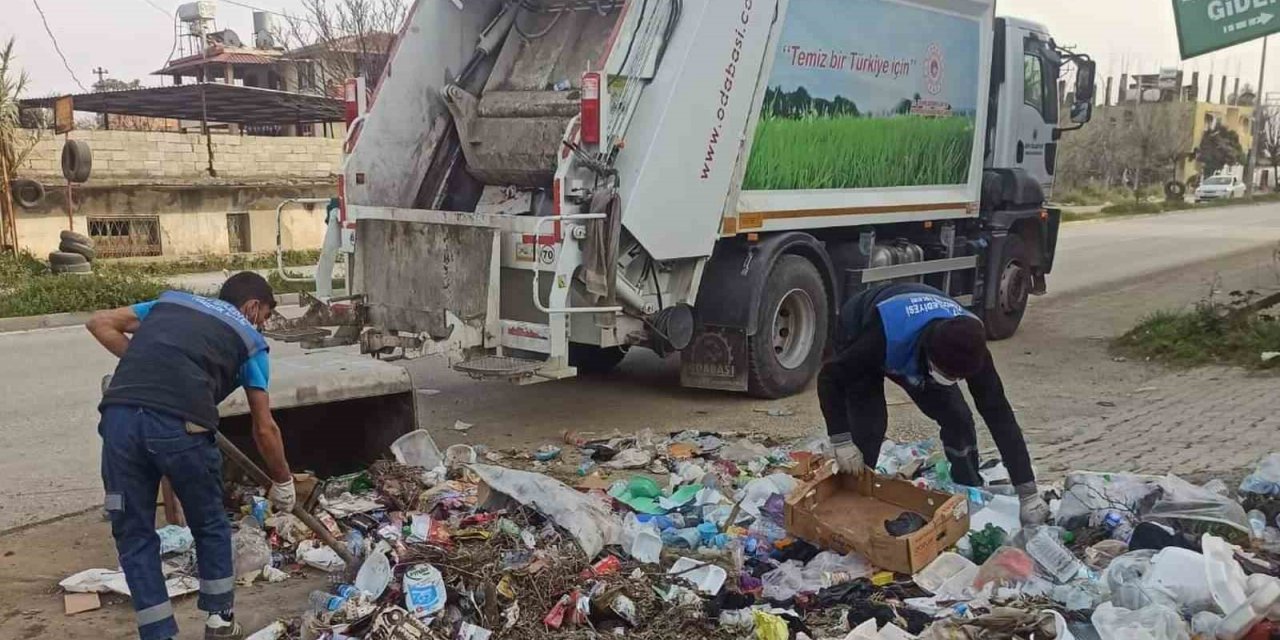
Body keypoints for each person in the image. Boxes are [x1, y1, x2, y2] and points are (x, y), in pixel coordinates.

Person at [87, 272, 295, 640]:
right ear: (251, 307)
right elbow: (265, 428)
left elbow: (100, 323)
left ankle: (158, 634)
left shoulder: (171, 303)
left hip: (119, 422)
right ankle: (219, 623)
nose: (263, 324)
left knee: (133, 533)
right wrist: (283, 481)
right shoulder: (250, 341)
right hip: (180, 428)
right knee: (209, 523)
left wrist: (152, 366)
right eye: (264, 315)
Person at [817, 282, 1050, 526]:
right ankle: (852, 503)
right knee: (870, 426)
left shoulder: (972, 347)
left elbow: (1000, 415)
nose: (952, 382)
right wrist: (841, 439)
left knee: (958, 418)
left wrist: (1028, 493)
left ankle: (968, 489)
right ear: (928, 355)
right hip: (863, 325)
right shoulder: (880, 338)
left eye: (956, 378)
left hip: (920, 346)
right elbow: (830, 377)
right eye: (946, 375)